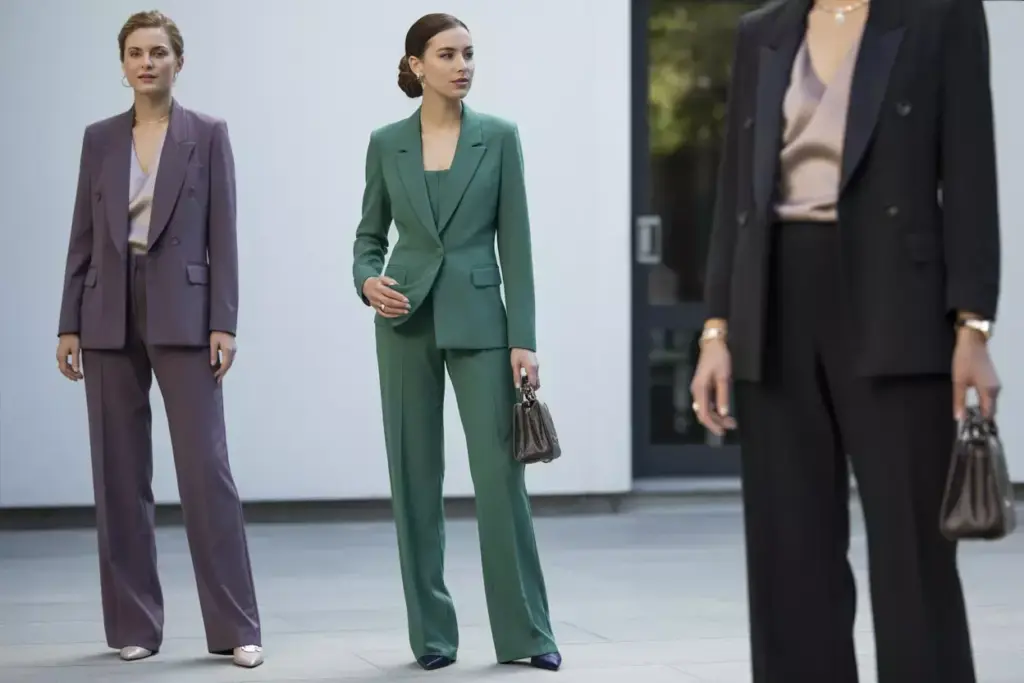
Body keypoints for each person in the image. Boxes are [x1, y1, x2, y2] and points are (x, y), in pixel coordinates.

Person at [690, 0, 1000, 681]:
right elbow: (735, 194)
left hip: (899, 302)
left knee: (913, 551)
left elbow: (972, 171)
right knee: (789, 547)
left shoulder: (939, 16)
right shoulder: (762, 32)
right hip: (772, 299)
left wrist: (972, 323)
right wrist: (718, 328)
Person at [351, 12, 561, 673]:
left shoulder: (499, 138)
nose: (462, 64)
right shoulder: (387, 142)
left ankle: (528, 632)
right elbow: (367, 237)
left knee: (502, 480)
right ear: (416, 65)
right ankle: (433, 635)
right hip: (404, 318)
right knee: (414, 480)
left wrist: (522, 337)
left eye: (469, 53)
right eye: (446, 54)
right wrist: (366, 281)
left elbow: (517, 244)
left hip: (482, 323)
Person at [55, 10, 263, 669]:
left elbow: (223, 233)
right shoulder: (99, 140)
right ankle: (133, 625)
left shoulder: (207, 134)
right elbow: (82, 237)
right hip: (105, 311)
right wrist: (68, 321)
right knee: (118, 473)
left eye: (159, 52)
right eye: (136, 52)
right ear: (122, 65)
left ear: (179, 61)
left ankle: (235, 627)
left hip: (186, 307)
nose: (147, 62)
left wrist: (224, 319)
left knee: (206, 470)